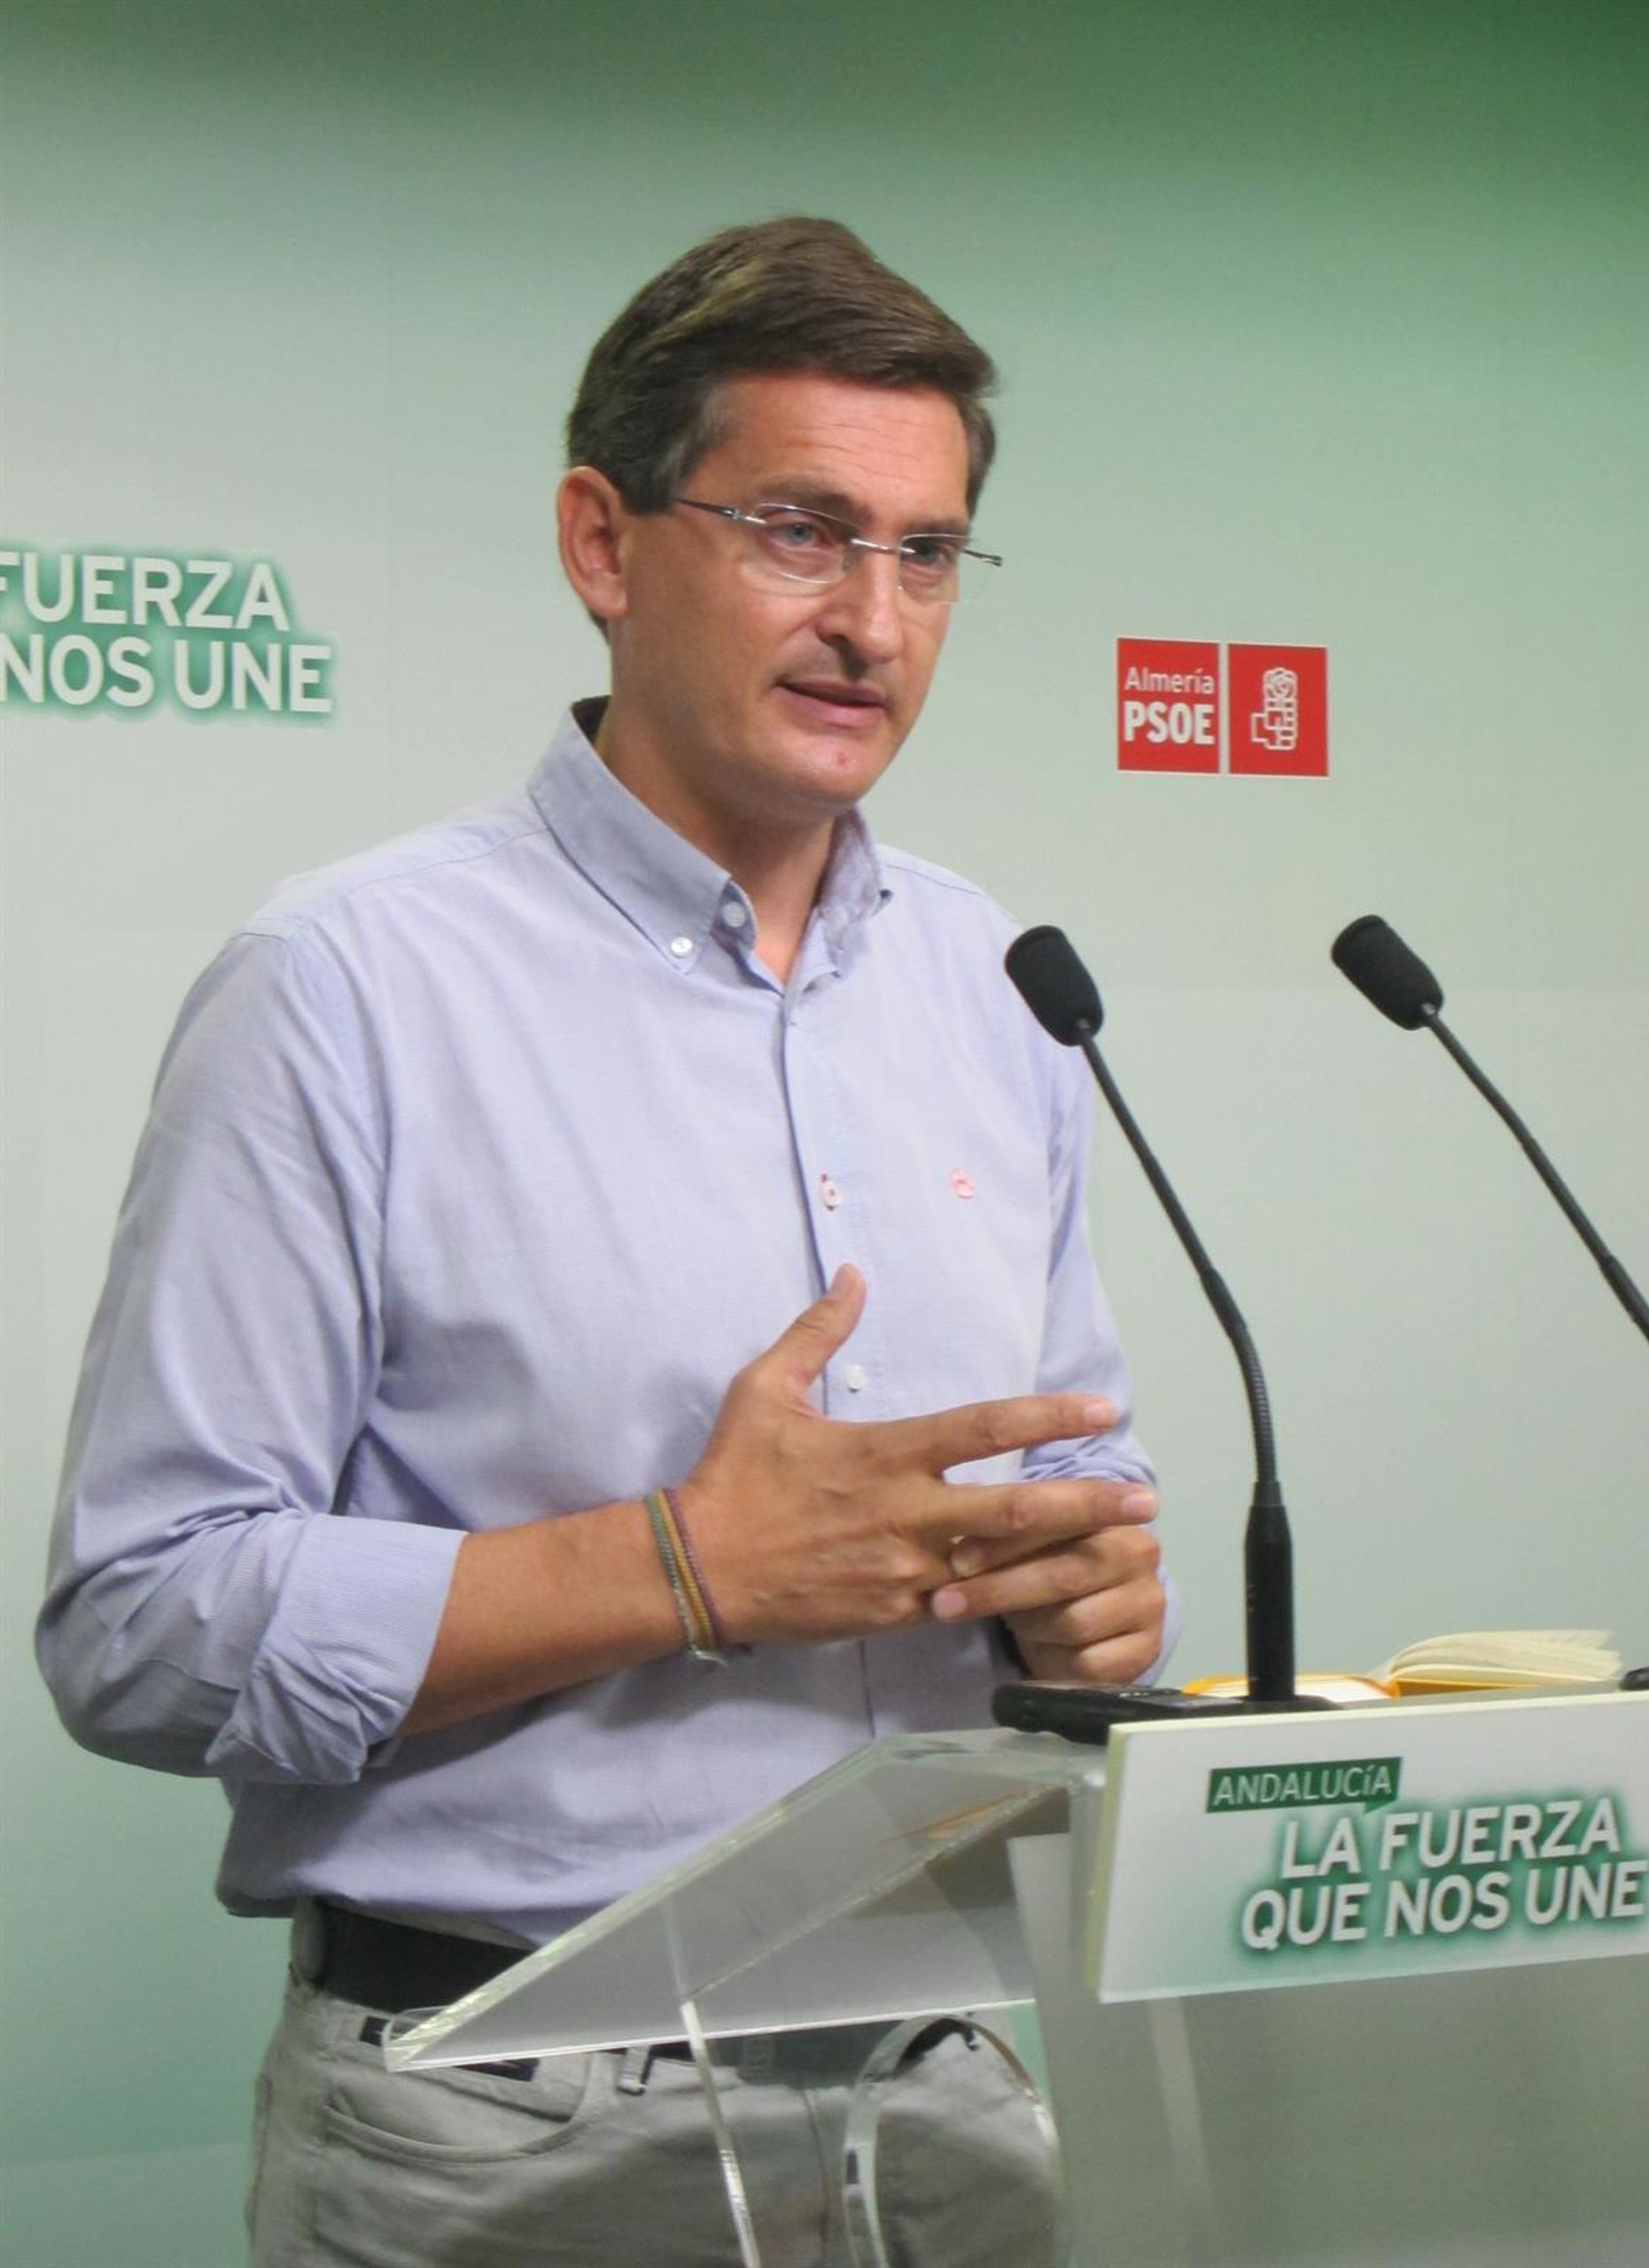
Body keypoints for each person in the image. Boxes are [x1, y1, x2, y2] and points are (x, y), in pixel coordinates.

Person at [38, 217, 1173, 2265]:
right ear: (602, 539)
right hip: (506, 2121)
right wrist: (681, 1563)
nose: (873, 620)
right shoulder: (347, 985)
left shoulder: (1007, 984)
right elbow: (139, 1615)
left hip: (944, 2089)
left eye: (926, 553)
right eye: (802, 530)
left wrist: (1082, 1597)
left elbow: (1078, 1472)